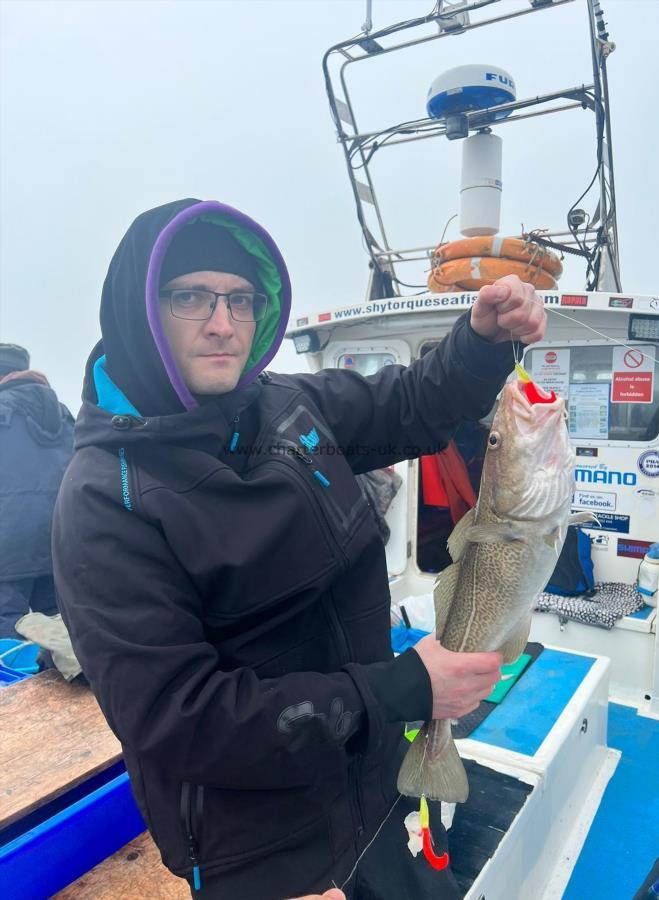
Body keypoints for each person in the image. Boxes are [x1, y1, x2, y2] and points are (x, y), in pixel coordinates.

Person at [53, 198, 547, 899]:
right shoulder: (106, 498)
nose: (224, 323)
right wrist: (405, 688)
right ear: (141, 309)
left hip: (372, 779)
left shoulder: (285, 405)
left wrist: (478, 341)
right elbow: (178, 719)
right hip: (262, 847)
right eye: (191, 297)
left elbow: (410, 403)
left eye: (242, 299)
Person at [0, 344, 74, 638]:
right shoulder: (65, 415)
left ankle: (16, 684)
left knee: (6, 626)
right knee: (57, 626)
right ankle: (63, 681)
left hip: (7, 543)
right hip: (57, 538)